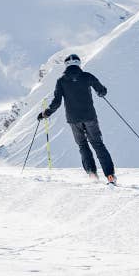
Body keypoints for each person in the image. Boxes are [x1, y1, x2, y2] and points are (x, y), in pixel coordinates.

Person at [38, 54, 116, 184]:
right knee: (98, 144)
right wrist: (102, 92)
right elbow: (101, 91)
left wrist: (45, 113)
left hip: (73, 119)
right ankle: (110, 176)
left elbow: (56, 102)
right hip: (90, 117)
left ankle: (92, 174)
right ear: (79, 64)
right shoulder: (87, 76)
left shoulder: (61, 81)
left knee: (82, 145)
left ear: (66, 65)